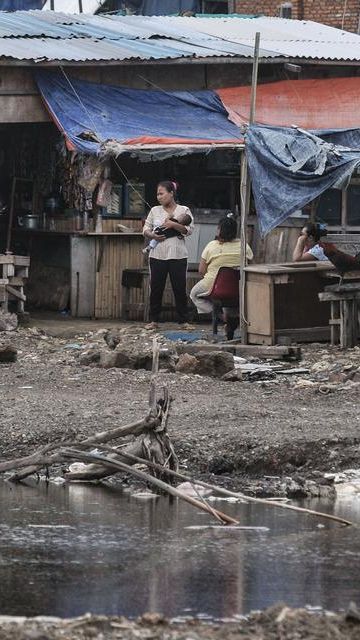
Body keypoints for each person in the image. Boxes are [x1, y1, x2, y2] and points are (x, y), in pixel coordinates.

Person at [143, 180, 194, 328]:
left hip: (178, 255)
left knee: (179, 287)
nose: (159, 197)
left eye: (162, 193)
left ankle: (183, 320)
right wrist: (152, 236)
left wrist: (173, 225)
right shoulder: (154, 211)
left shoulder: (184, 210)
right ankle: (154, 320)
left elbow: (188, 230)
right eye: (157, 194)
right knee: (156, 287)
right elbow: (146, 229)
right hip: (157, 255)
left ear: (171, 193)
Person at [190, 213, 253, 315]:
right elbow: (250, 266)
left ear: (219, 230)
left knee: (194, 294)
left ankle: (218, 314)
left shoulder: (211, 245)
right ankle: (230, 318)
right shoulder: (244, 245)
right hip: (238, 286)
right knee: (231, 300)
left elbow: (201, 271)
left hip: (212, 285)